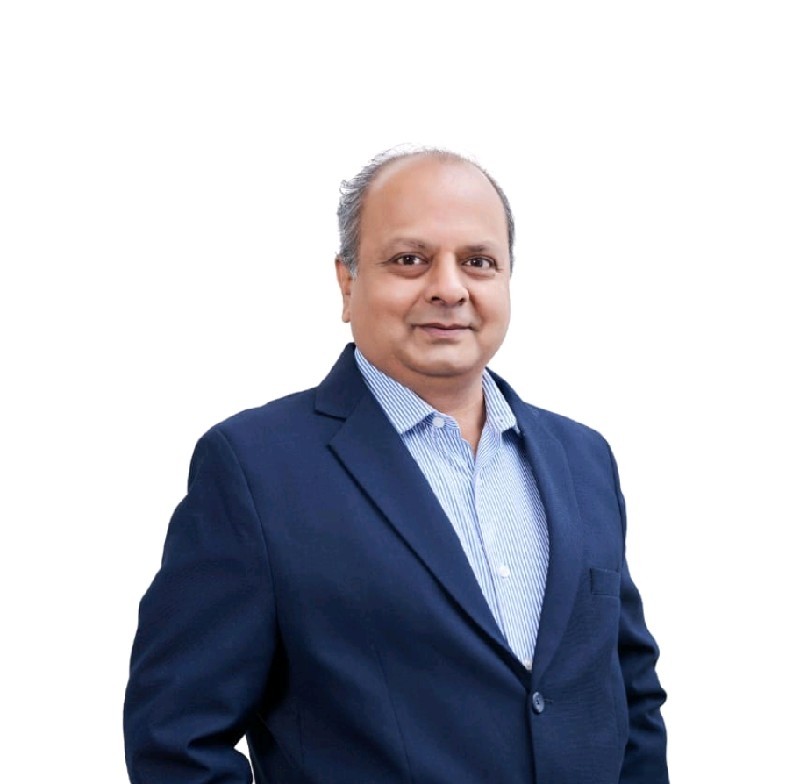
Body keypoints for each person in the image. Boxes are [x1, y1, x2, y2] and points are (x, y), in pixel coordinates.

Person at [124, 148, 669, 783]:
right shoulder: (255, 470)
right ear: (347, 282)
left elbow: (629, 696)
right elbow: (177, 740)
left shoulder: (584, 459)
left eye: (478, 261)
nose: (449, 288)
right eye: (410, 259)